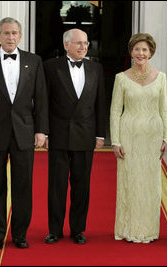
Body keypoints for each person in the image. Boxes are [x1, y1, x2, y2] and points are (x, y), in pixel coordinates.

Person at [0, 17, 48, 250]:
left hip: (24, 132)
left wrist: (41, 130)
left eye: (14, 33)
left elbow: (41, 99)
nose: (10, 37)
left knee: (24, 185)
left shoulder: (34, 61)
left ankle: (20, 234)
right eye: (5, 33)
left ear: (20, 36)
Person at [43, 28, 106, 245]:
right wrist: (45, 132)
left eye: (86, 43)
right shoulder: (50, 67)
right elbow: (44, 103)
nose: (83, 47)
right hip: (58, 134)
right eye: (79, 43)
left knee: (82, 185)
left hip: (86, 135)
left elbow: (100, 104)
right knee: (57, 185)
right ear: (66, 45)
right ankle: (54, 230)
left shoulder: (96, 68)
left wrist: (100, 134)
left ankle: (78, 229)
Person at [110, 33, 167, 243]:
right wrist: (115, 140)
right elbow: (115, 111)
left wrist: (166, 137)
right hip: (129, 136)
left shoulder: (161, 77)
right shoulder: (121, 78)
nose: (140, 53)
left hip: (152, 136)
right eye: (137, 49)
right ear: (131, 52)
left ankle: (149, 229)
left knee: (150, 184)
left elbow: (164, 109)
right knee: (130, 181)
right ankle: (128, 229)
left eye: (144, 50)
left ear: (151, 52)